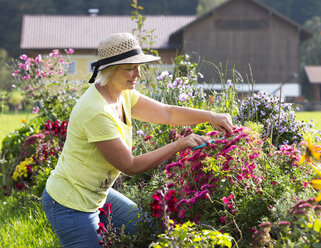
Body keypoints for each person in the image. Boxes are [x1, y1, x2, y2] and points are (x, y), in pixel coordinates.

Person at [42, 32, 233, 247]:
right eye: (130, 68)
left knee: (150, 231)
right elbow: (130, 166)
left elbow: (167, 113)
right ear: (110, 69)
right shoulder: (96, 111)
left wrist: (210, 116)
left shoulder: (121, 93)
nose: (138, 75)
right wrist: (179, 145)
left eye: (138, 67)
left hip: (98, 195)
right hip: (70, 204)